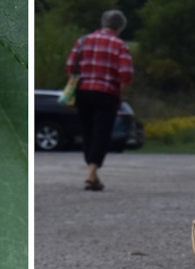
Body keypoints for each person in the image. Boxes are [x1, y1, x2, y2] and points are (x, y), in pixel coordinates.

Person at [65, 10, 133, 191]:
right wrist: (120, 93)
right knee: (101, 133)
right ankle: (91, 172)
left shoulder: (82, 41)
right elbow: (125, 74)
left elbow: (70, 66)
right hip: (106, 93)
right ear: (120, 27)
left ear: (103, 23)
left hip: (83, 92)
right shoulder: (119, 45)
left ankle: (92, 172)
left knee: (87, 132)